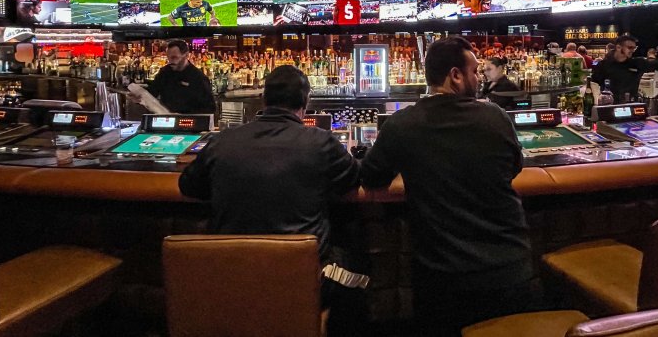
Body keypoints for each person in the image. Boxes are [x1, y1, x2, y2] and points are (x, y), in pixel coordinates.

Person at [359, 36, 535, 336]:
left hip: (443, 280)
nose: (478, 78)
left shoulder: (402, 124)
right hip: (512, 271)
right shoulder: (496, 117)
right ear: (455, 75)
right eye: (475, 71)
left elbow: (371, 177)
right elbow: (513, 167)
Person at [178, 65, 364, 333]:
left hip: (226, 275)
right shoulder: (321, 141)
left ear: (263, 101)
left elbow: (188, 186)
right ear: (306, 101)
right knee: (358, 260)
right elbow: (353, 180)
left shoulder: (223, 140)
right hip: (301, 279)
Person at [592, 35, 658, 101]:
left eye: (634, 48)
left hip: (631, 104)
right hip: (608, 105)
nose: (632, 50)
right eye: (629, 47)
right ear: (618, 47)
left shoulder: (637, 63)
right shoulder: (603, 65)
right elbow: (593, 87)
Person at [131, 40, 215, 114]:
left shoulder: (198, 77)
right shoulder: (165, 72)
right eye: (169, 58)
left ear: (186, 56)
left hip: (188, 123)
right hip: (167, 120)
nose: (171, 61)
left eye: (174, 57)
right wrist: (139, 98)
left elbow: (210, 108)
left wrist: (184, 115)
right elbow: (153, 92)